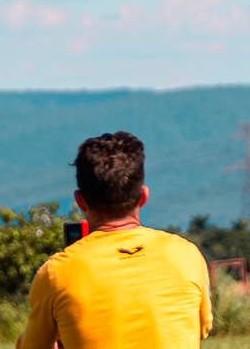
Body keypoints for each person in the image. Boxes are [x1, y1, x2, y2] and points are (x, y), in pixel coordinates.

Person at [18, 132, 211, 349]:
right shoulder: (186, 255)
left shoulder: (56, 273)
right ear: (143, 196)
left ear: (80, 201)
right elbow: (202, 328)